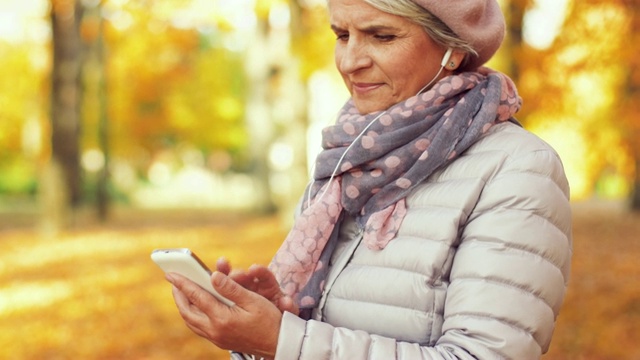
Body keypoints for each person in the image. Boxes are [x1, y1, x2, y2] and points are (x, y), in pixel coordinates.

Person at [163, 0, 573, 358]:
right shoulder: (347, 156)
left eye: (381, 36)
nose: (349, 61)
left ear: (451, 47)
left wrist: (283, 341)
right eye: (342, 34)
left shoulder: (517, 168)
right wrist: (279, 321)